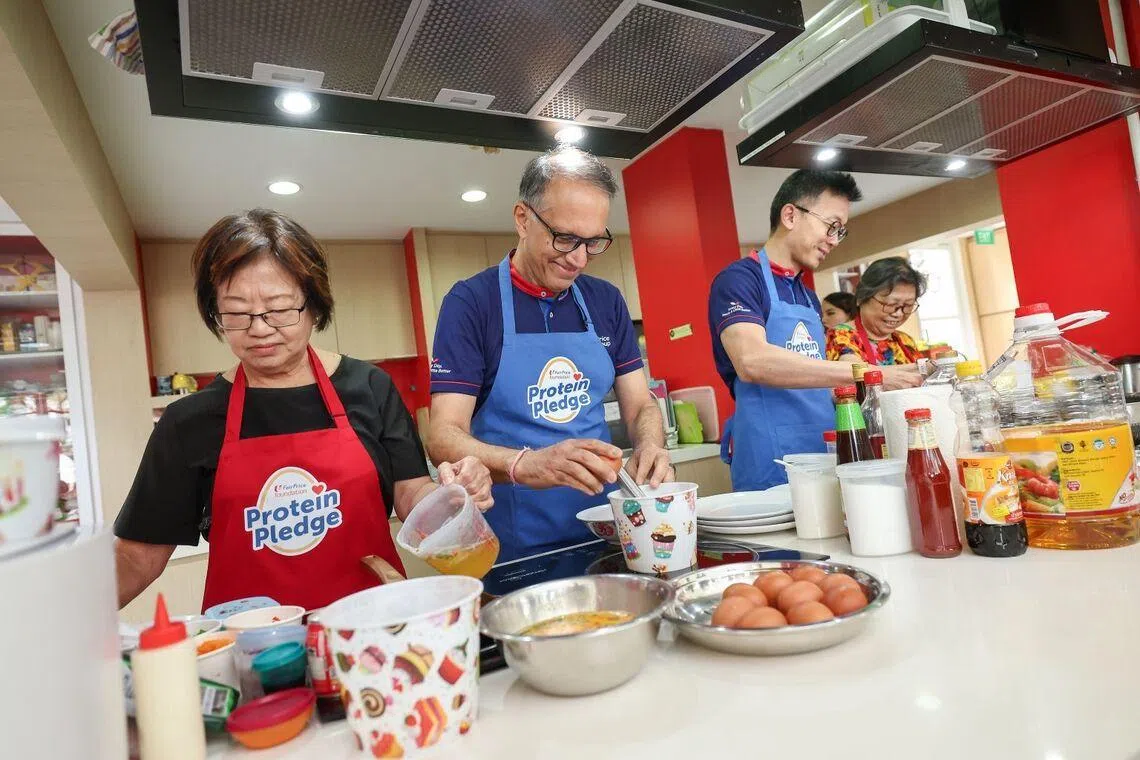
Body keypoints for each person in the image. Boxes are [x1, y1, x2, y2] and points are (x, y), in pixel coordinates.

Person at [113, 210, 491, 611]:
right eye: (237, 312)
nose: (259, 328)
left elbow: (410, 491)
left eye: (278, 309)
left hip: (370, 632)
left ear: (313, 305)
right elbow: (138, 557)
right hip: (255, 651)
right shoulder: (188, 421)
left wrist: (450, 496)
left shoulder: (368, 388)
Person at [428, 146, 671, 562]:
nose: (578, 258)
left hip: (610, 531)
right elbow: (443, 435)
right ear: (523, 219)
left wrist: (650, 444)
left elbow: (639, 406)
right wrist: (525, 463)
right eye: (564, 238)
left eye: (593, 242)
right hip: (515, 547)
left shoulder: (605, 301)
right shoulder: (472, 303)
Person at [708, 170, 921, 492]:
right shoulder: (740, 280)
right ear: (791, 215)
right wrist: (869, 373)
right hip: (772, 456)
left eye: (841, 231)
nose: (834, 240)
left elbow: (817, 378)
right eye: (831, 226)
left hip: (826, 446)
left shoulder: (806, 294)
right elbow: (752, 361)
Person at [827, 256, 926, 365]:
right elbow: (856, 375)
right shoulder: (841, 335)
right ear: (861, 298)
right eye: (891, 304)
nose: (898, 313)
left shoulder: (905, 341)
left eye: (908, 305)